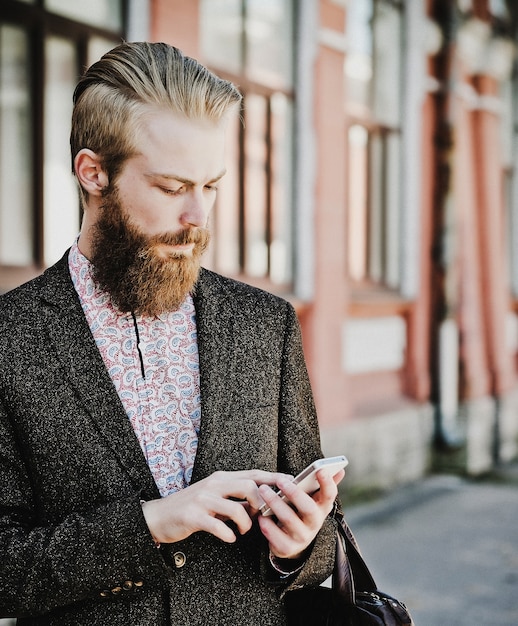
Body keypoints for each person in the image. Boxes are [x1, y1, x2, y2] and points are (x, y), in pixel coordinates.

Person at [0, 42, 344, 626]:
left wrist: (301, 545)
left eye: (210, 185)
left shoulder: (265, 325)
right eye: (171, 187)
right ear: (93, 173)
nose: (199, 217)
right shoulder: (12, 338)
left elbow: (326, 536)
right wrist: (153, 523)